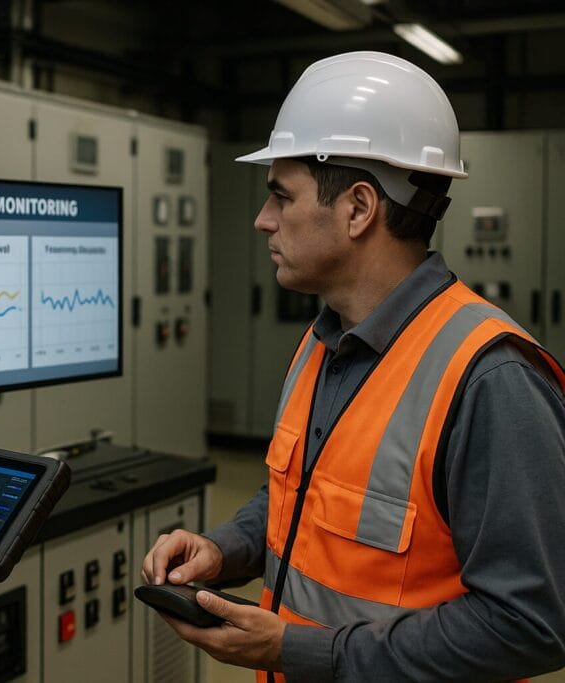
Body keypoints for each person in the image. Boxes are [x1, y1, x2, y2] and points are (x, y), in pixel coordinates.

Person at [143, 51, 565, 681]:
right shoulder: (324, 341)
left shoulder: (489, 378)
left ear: (359, 209)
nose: (262, 221)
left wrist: (298, 650)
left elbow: (530, 623)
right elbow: (308, 498)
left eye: (281, 197)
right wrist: (225, 549)